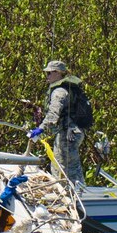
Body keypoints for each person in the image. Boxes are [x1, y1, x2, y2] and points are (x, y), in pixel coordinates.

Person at [29, 60, 92, 191]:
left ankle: (77, 196)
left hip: (68, 134)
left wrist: (41, 128)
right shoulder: (67, 89)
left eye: (49, 73)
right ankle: (69, 193)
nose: (47, 76)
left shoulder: (59, 92)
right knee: (61, 165)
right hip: (72, 132)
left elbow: (53, 114)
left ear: (58, 73)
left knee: (65, 167)